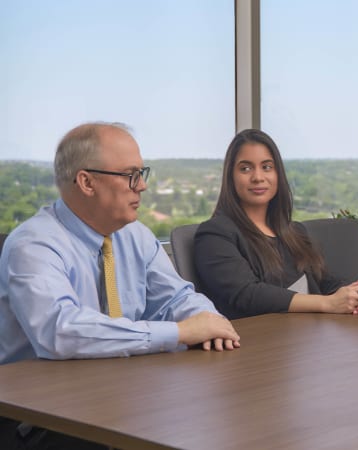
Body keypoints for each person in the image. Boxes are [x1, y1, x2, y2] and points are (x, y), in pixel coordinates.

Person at [0, 122, 240, 448]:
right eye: (130, 175)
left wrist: (208, 323)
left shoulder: (134, 235)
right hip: (38, 417)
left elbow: (176, 298)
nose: (141, 186)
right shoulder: (33, 245)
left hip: (120, 392)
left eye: (143, 173)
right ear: (86, 182)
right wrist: (181, 333)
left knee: (216, 419)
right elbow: (60, 331)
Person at [193, 129, 358, 319]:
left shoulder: (294, 231)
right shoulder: (215, 234)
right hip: (262, 342)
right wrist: (326, 303)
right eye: (245, 168)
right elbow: (246, 294)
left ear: (278, 174)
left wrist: (353, 294)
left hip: (308, 335)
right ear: (230, 176)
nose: (258, 177)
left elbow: (323, 280)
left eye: (267, 167)